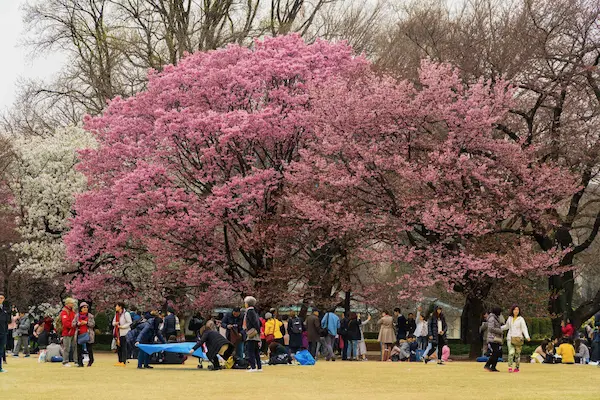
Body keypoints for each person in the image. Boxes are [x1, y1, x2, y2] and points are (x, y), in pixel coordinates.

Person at [502, 304, 530, 373]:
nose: (516, 311)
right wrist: (499, 328)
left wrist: (527, 336)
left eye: (517, 310)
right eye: (515, 309)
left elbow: (524, 328)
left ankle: (517, 367)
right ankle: (510, 367)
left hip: (518, 338)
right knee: (511, 352)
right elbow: (507, 326)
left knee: (517, 354)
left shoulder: (521, 319)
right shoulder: (510, 318)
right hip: (510, 337)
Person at [242, 296, 262, 372]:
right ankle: (259, 367)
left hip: (252, 333)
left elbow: (254, 322)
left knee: (250, 350)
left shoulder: (249, 311)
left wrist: (256, 330)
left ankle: (253, 367)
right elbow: (258, 322)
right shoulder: (255, 311)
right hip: (255, 334)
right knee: (256, 351)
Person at [75, 302, 95, 367]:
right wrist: (78, 323)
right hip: (79, 334)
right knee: (79, 349)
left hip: (88, 334)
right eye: (84, 307)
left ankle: (91, 360)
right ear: (80, 308)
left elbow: (93, 324)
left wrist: (86, 322)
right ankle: (80, 363)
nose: (85, 309)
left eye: (86, 307)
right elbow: (73, 324)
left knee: (89, 349)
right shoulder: (77, 316)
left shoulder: (90, 316)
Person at [112, 302, 133, 367]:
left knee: (124, 347)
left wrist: (122, 326)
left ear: (120, 307)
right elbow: (113, 322)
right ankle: (119, 360)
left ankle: (123, 361)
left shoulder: (126, 314)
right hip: (117, 333)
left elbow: (129, 322)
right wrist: (115, 323)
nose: (116, 307)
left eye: (117, 306)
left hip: (124, 333)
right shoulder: (117, 314)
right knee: (119, 347)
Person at [484, 307, 503, 372]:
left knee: (497, 353)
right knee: (496, 352)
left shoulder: (496, 318)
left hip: (496, 338)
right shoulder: (492, 318)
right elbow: (491, 328)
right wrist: (500, 331)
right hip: (492, 338)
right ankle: (487, 365)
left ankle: (493, 366)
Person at [60, 298, 77, 367]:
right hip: (67, 332)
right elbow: (65, 323)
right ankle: (65, 361)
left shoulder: (73, 311)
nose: (73, 304)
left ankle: (76, 361)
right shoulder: (64, 312)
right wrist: (73, 325)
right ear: (68, 303)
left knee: (75, 347)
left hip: (73, 331)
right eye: (72, 303)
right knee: (66, 347)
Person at [0, 293, 8, 373]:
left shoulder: (4, 310)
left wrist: (5, 332)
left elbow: (6, 323)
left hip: (2, 333)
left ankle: (0, 367)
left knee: (1, 351)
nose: (0, 299)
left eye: (2, 298)